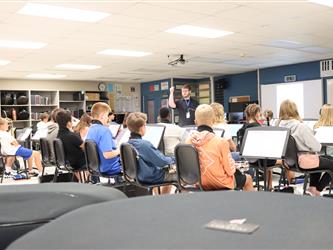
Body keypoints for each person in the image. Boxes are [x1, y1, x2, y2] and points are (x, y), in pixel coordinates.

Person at [186, 104, 254, 191]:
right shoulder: (221, 142)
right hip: (220, 183)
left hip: (197, 183)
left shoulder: (188, 142)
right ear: (213, 120)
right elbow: (230, 171)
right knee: (248, 179)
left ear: (195, 122)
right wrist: (234, 165)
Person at [278, 100, 333, 196]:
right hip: (304, 161)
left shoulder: (279, 127)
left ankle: (312, 188)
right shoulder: (300, 127)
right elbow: (317, 147)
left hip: (289, 162)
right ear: (294, 110)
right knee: (322, 160)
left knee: (324, 159)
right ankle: (318, 190)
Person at [127, 112, 177, 194]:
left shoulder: (128, 143)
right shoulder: (143, 144)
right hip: (151, 177)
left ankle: (160, 199)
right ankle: (165, 201)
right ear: (142, 127)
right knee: (181, 175)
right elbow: (162, 162)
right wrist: (176, 159)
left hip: (138, 176)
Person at [86, 102, 121, 177]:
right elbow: (107, 155)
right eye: (108, 116)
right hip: (110, 168)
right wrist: (119, 151)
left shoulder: (91, 129)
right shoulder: (104, 130)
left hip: (97, 167)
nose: (109, 119)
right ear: (102, 116)